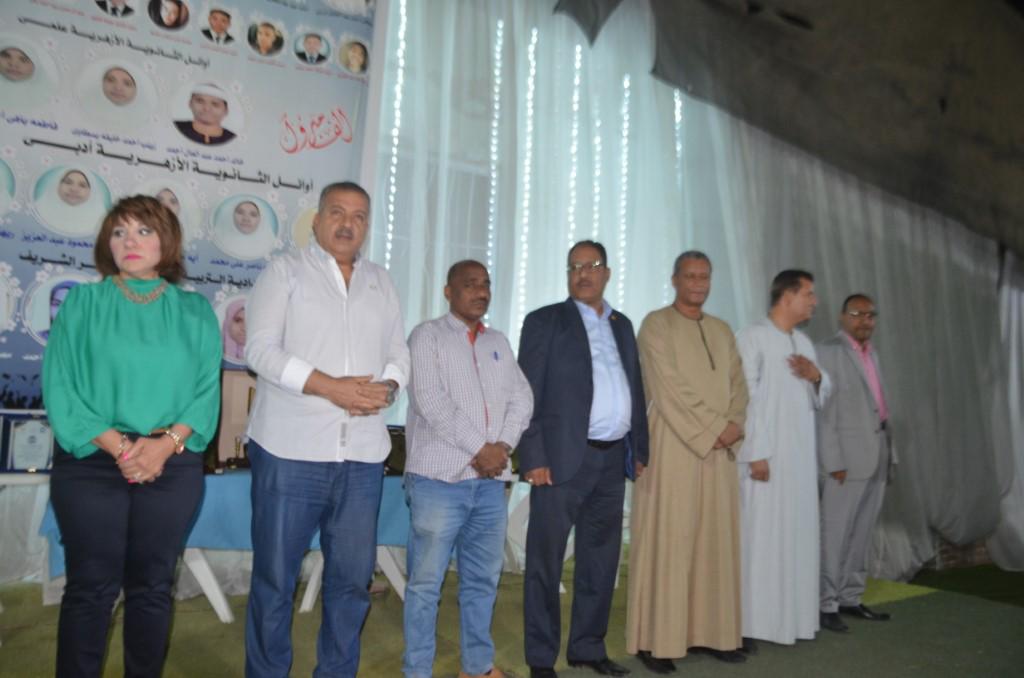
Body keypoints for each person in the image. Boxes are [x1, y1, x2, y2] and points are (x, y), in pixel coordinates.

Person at [42, 195, 221, 677]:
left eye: (144, 231)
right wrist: (121, 447)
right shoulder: (83, 303)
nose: (129, 241)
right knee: (90, 587)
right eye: (119, 232)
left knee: (152, 586)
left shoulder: (195, 311)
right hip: (92, 460)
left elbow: (205, 392)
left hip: (171, 462)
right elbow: (61, 387)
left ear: (167, 242)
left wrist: (163, 446)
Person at [244, 181, 410, 678]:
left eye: (359, 216)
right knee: (275, 581)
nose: (347, 223)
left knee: (352, 583)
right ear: (316, 220)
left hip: (361, 457)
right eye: (337, 212)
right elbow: (259, 351)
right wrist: (329, 387)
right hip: (290, 451)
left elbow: (398, 353)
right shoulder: (284, 272)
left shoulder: (380, 281)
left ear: (367, 226)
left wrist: (388, 387)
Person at [518, 240, 648, 678]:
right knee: (545, 562)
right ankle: (541, 659)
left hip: (612, 461)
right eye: (574, 266)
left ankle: (588, 648)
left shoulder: (622, 325)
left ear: (606, 273)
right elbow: (526, 394)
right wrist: (533, 456)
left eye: (591, 265)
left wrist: (639, 449)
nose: (583, 273)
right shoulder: (545, 321)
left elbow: (635, 388)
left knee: (601, 560)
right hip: (559, 462)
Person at [403, 260, 534, 678]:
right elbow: (429, 400)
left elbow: (523, 399)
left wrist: (503, 447)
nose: (480, 291)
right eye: (470, 284)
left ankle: (477, 667)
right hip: (438, 482)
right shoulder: (427, 336)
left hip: (489, 485)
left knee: (483, 581)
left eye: (486, 284)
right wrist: (481, 448)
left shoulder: (498, 341)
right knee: (425, 585)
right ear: (448, 291)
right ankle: (417, 671)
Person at [626, 251, 750, 673]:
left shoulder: (722, 329)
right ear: (675, 279)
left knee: (715, 543)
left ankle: (712, 634)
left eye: (705, 276)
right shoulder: (655, 325)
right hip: (673, 445)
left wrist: (734, 424)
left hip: (719, 450)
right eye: (690, 276)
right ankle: (655, 641)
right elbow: (668, 389)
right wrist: (715, 428)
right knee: (670, 542)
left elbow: (739, 385)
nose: (698, 283)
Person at [736, 269, 832, 648]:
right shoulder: (752, 337)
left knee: (795, 538)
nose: (814, 301)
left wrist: (817, 377)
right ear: (787, 296)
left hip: (799, 461)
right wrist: (756, 453)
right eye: (809, 294)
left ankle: (791, 620)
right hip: (764, 460)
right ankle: (749, 624)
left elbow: (819, 395)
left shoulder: (804, 343)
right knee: (760, 540)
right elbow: (743, 397)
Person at [817, 294, 896, 632]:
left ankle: (850, 596)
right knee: (834, 533)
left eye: (871, 315)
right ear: (842, 317)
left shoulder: (872, 353)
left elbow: (878, 408)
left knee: (862, 533)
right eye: (858, 313)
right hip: (844, 462)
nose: (866, 320)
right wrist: (832, 459)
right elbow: (823, 412)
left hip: (877, 454)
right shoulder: (827, 351)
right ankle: (825, 603)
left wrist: (891, 453)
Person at [222, 298, 246, 362]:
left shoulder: (267, 359)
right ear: (228, 323)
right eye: (238, 320)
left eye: (250, 322)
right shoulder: (214, 355)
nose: (243, 328)